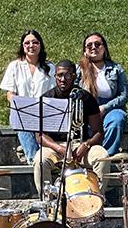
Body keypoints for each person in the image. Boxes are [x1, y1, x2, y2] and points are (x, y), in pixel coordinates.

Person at [33, 60, 110, 195]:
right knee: (40, 160)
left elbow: (98, 132)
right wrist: (58, 148)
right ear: (55, 76)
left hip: (82, 145)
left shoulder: (86, 97)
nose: (62, 79)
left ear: (74, 76)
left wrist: (86, 145)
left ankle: (97, 200)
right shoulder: (47, 98)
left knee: (102, 156)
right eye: (59, 75)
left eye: (67, 75)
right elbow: (39, 135)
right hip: (55, 146)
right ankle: (48, 203)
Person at [0, 30, 55, 163]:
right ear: (22, 46)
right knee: (21, 118)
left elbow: (54, 93)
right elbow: (10, 93)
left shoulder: (50, 67)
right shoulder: (14, 66)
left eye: (35, 42)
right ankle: (34, 159)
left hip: (43, 111)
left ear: (40, 45)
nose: (31, 46)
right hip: (21, 110)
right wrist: (21, 105)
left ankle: (36, 158)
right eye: (27, 43)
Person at [74, 33, 128, 156]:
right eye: (89, 45)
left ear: (104, 48)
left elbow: (123, 96)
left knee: (116, 121)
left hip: (111, 108)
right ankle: (88, 155)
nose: (94, 47)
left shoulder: (116, 69)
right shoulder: (79, 70)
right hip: (87, 109)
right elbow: (73, 92)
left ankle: (105, 156)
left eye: (98, 44)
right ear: (85, 51)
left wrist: (105, 107)